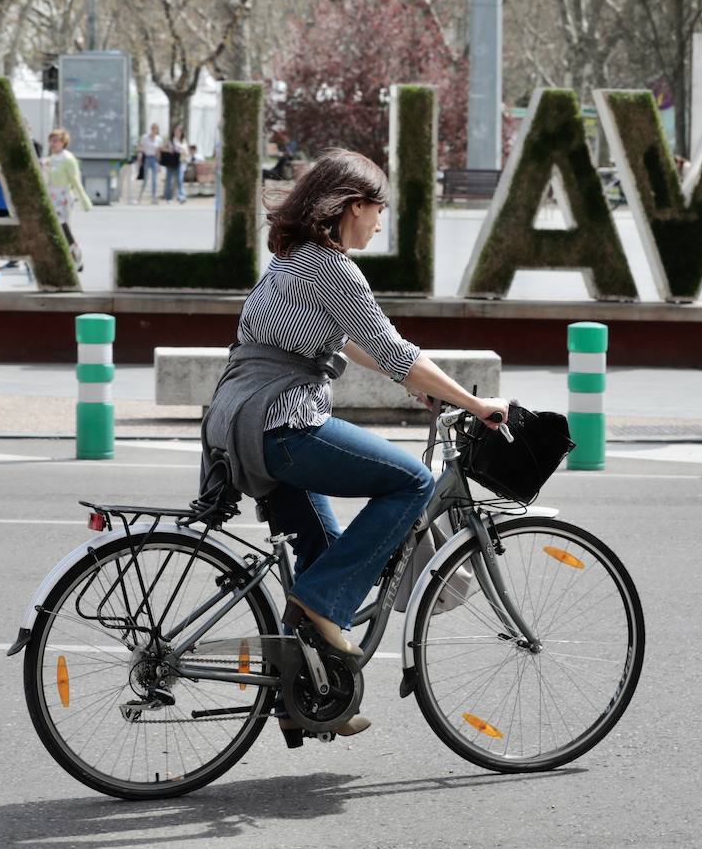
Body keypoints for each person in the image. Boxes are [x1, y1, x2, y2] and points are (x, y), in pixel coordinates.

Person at [200, 148, 508, 740]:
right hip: (282, 426)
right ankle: (322, 606)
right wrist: (474, 403)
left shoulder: (294, 262)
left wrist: (421, 386)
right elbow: (394, 351)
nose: (378, 222)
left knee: (324, 551)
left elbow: (356, 341)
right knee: (414, 483)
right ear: (351, 206)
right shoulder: (330, 267)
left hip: (237, 423)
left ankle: (305, 701)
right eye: (376, 210)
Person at [39, 127, 91, 273]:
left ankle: (77, 257)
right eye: (51, 141)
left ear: (63, 142)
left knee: (64, 228)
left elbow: (76, 180)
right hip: (51, 196)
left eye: (56, 141)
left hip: (63, 197)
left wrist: (84, 200)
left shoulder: (68, 158)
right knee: (53, 229)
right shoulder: (50, 159)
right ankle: (62, 260)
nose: (53, 144)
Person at [137, 123, 162, 204]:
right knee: (145, 179)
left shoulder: (159, 139)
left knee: (154, 180)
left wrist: (159, 163)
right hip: (147, 158)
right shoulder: (145, 137)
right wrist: (140, 158)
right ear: (151, 129)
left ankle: (153, 198)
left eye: (156, 129)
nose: (154, 130)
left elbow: (158, 151)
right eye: (153, 128)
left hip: (154, 159)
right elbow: (141, 147)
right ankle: (140, 197)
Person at [162, 124, 187, 203]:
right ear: (174, 132)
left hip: (180, 162)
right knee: (169, 180)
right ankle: (168, 197)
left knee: (180, 179)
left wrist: (182, 150)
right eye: (176, 131)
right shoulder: (170, 140)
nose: (177, 132)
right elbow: (162, 148)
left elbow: (186, 151)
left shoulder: (183, 141)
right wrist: (169, 150)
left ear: (181, 132)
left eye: (179, 131)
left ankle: (181, 197)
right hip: (171, 162)